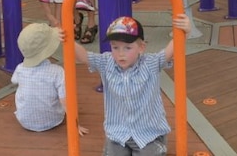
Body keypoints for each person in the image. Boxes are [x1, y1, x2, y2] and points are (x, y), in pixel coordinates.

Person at [73, 15, 191, 155]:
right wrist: (67, 39)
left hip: (149, 134)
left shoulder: (150, 64)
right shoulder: (106, 63)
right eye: (115, 47)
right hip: (118, 133)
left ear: (141, 47)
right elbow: (84, 57)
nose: (120, 54)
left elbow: (170, 51)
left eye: (127, 48)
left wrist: (185, 32)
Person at [11, 23, 87, 136]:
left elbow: (14, 80)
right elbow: (65, 100)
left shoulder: (20, 69)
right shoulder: (57, 72)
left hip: (24, 121)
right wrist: (75, 125)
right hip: (52, 120)